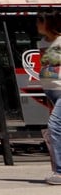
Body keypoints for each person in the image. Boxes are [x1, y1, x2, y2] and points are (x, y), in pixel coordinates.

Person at [37, 12, 61, 184]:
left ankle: (60, 172)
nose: (37, 25)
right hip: (51, 90)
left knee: (54, 125)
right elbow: (47, 67)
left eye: (40, 21)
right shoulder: (44, 42)